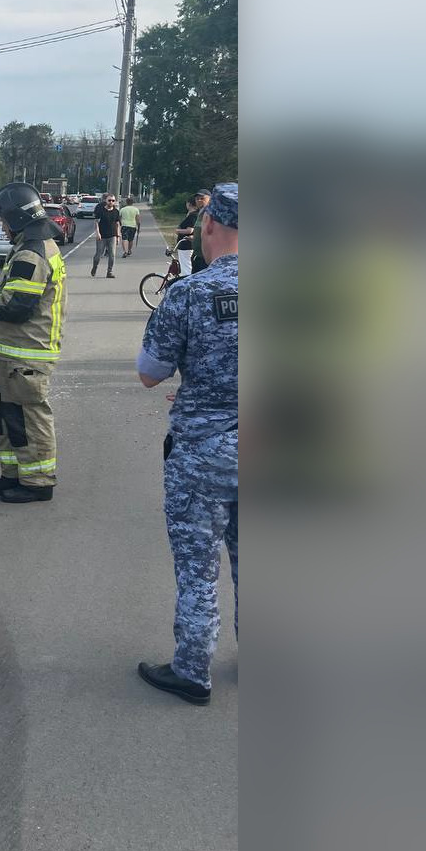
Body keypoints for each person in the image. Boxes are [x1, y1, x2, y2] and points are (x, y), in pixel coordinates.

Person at [135, 183, 239, 703]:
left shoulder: (191, 293)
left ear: (210, 226)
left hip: (205, 448)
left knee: (199, 567)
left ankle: (193, 669)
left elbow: (150, 372)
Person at [0, 182, 67, 503]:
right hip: (18, 355)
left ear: (18, 218)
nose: (4, 228)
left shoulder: (31, 254)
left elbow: (15, 307)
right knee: (7, 414)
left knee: (29, 418)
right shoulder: (37, 247)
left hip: (28, 354)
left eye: (5, 221)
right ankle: (13, 475)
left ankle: (37, 481)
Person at [174, 191, 208, 278]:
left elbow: (190, 230)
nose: (199, 200)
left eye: (202, 198)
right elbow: (197, 231)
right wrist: (195, 237)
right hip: (197, 253)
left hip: (204, 254)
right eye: (197, 199)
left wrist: (178, 231)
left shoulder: (209, 214)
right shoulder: (200, 214)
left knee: (188, 271)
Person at [89, 193, 122, 277]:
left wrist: (118, 236)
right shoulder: (101, 210)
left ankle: (109, 272)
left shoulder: (116, 212)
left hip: (112, 235)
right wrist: (98, 233)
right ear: (106, 201)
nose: (111, 202)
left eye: (113, 201)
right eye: (109, 200)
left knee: (112, 254)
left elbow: (117, 224)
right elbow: (96, 222)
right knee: (98, 254)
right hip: (102, 236)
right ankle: (95, 267)